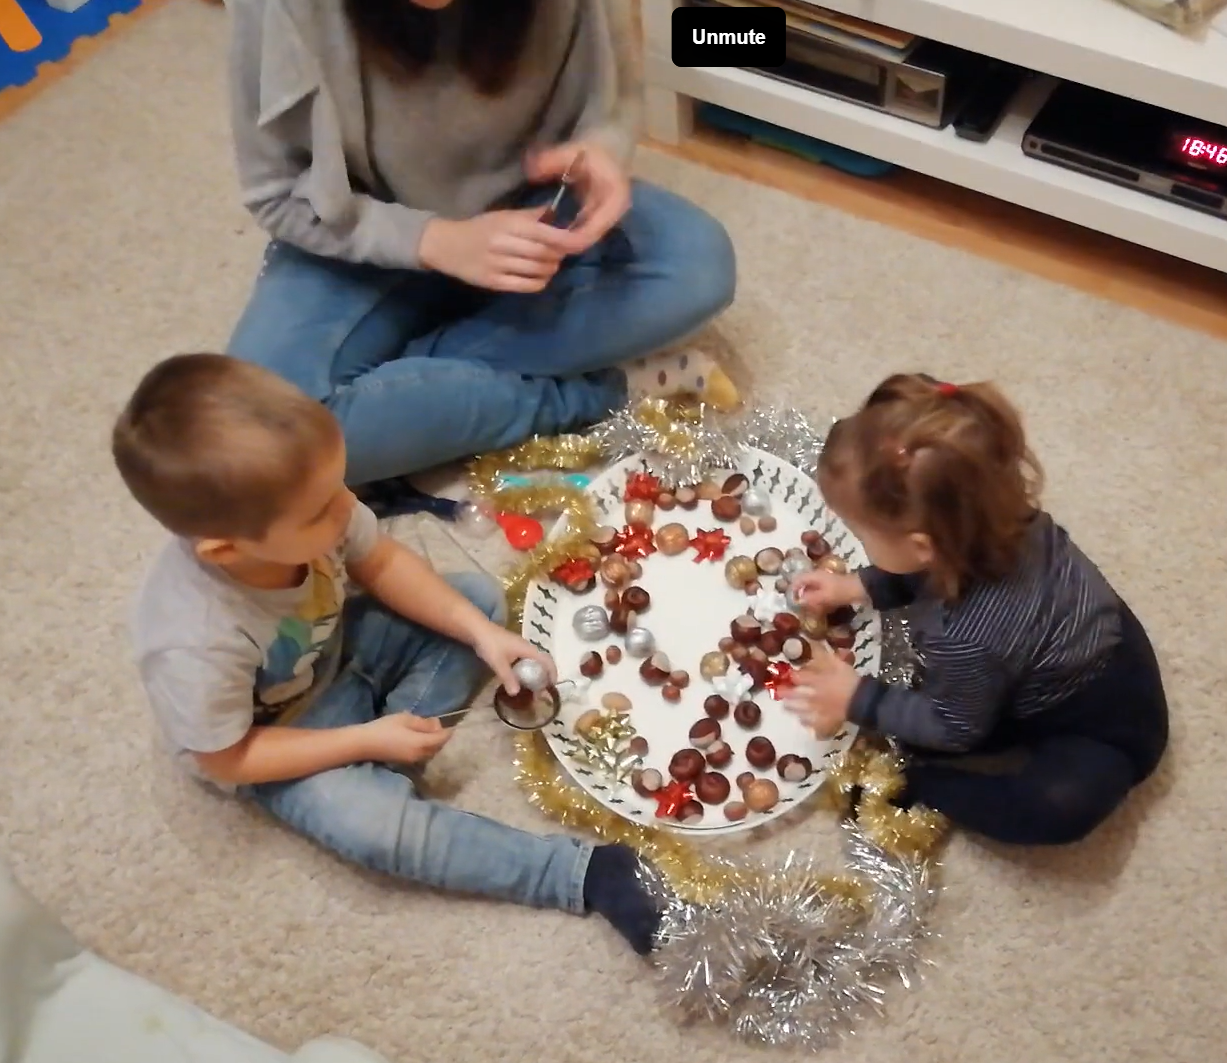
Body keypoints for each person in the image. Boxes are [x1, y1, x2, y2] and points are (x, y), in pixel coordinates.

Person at [112, 353, 661, 954]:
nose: (345, 506)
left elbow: (381, 561)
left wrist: (480, 635)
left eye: (339, 485)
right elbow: (227, 758)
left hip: (340, 647)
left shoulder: (322, 503)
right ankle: (583, 874)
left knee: (477, 602)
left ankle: (386, 759)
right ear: (226, 550)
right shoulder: (192, 640)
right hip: (278, 738)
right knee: (378, 829)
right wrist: (363, 742)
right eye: (320, 510)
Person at [224, 0, 740, 491]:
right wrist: (433, 240)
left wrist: (600, 149)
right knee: (260, 445)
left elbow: (614, 98)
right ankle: (598, 391)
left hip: (528, 211)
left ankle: (405, 392)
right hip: (361, 230)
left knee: (695, 266)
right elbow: (277, 194)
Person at [785, 373, 1168, 846]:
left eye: (862, 533)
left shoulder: (966, 635)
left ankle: (925, 786)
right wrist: (857, 586)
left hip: (1099, 729)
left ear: (923, 546)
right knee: (929, 708)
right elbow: (921, 570)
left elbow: (954, 728)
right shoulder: (999, 522)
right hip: (1087, 640)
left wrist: (859, 697)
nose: (857, 540)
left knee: (1055, 808)